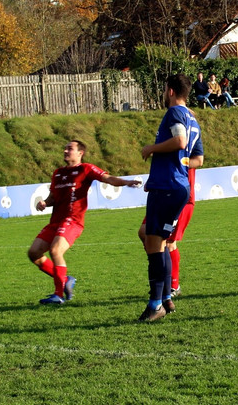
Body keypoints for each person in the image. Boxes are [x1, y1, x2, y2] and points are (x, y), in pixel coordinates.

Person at [29, 140, 142, 305]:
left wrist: (126, 182)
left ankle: (58, 295)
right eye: (65, 148)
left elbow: (108, 178)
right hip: (55, 221)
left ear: (80, 153)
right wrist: (45, 203)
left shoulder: (86, 169)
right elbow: (53, 197)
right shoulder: (58, 173)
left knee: (55, 251)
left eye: (70, 149)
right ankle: (65, 279)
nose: (65, 151)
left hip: (73, 221)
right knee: (34, 253)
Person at [138, 73, 203, 322]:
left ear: (171, 91)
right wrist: (172, 168)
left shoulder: (175, 113)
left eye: (165, 90)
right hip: (177, 186)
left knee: (154, 243)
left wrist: (151, 149)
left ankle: (156, 304)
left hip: (167, 187)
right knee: (162, 242)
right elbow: (197, 159)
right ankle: (165, 297)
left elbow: (179, 141)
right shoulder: (194, 121)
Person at [137, 134, 204, 299]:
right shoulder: (169, 145)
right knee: (145, 232)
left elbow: (195, 161)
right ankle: (161, 273)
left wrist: (152, 149)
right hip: (163, 194)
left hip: (179, 198)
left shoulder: (183, 145)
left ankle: (172, 285)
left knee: (168, 242)